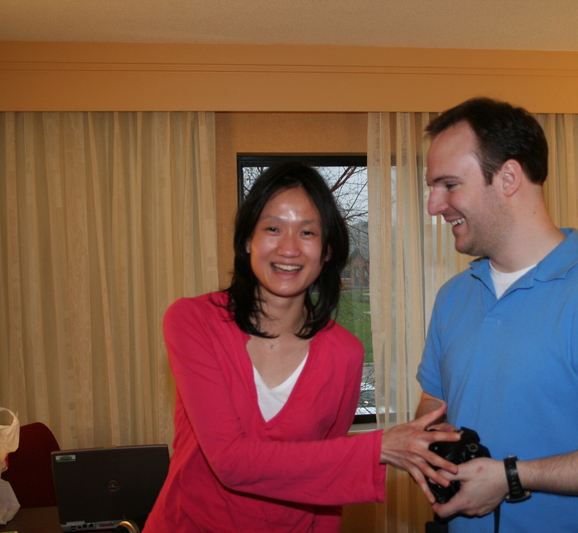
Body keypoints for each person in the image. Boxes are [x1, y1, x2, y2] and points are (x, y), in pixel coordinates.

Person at [144, 162, 461, 532]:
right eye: (273, 228)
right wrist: (377, 448)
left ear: (326, 251)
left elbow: (327, 482)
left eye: (307, 232)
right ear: (248, 241)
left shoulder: (344, 353)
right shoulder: (193, 321)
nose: (289, 248)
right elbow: (229, 461)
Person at [415, 98, 578, 532]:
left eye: (449, 185)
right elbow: (435, 401)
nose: (433, 205)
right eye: (433, 186)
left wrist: (513, 477)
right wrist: (430, 444)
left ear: (508, 178)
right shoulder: (453, 297)